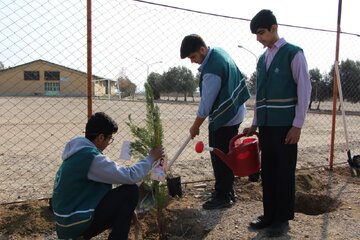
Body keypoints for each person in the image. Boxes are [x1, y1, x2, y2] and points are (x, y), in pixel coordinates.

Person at [244, 10, 312, 237]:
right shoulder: (262, 59)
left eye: (261, 33)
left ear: (274, 28)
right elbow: (260, 95)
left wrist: (298, 124)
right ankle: (269, 215)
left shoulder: (294, 53)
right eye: (256, 34)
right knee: (269, 170)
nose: (258, 38)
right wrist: (254, 123)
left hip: (286, 126)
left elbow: (304, 90)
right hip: (266, 125)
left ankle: (282, 219)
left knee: (284, 172)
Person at [51, 112, 164, 240]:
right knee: (130, 191)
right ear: (100, 137)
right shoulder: (91, 158)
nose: (108, 143)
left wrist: (125, 209)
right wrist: (151, 158)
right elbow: (130, 175)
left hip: (66, 223)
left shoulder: (77, 153)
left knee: (124, 199)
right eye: (109, 139)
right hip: (75, 224)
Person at [180, 34, 250, 210]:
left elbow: (206, 105)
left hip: (225, 117)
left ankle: (223, 196)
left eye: (193, 57)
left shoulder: (212, 70)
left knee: (220, 156)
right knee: (226, 153)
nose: (192, 61)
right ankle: (227, 191)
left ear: (202, 50)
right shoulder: (219, 52)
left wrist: (195, 126)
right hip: (236, 111)